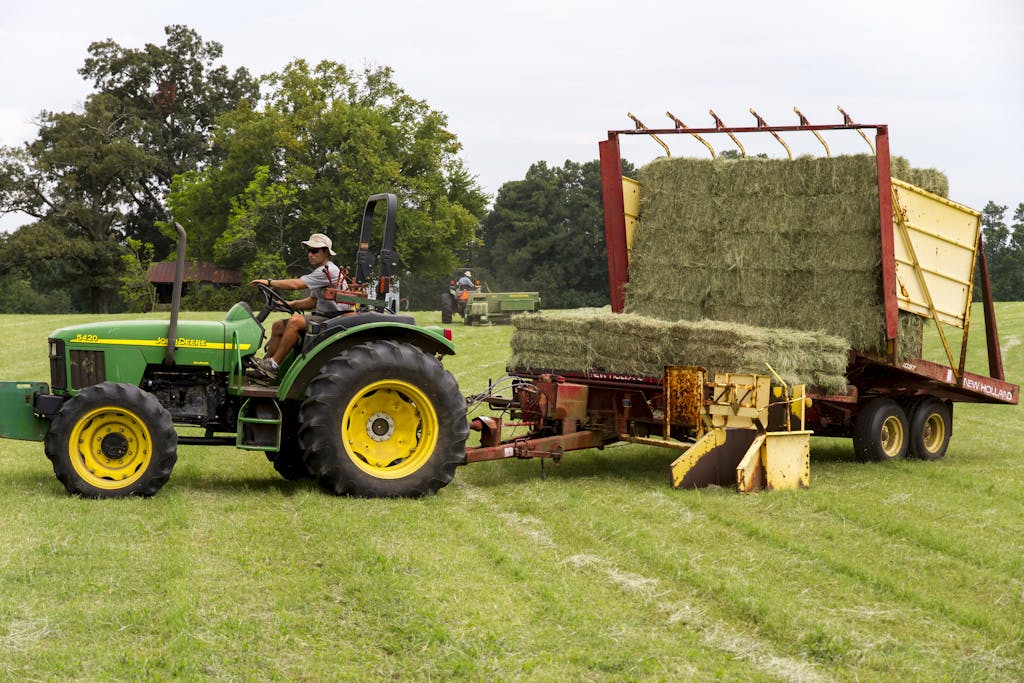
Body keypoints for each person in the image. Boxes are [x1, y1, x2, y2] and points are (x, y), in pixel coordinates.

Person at [248, 233, 347, 381]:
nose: (310, 254)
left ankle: (274, 364)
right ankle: (265, 369)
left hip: (334, 318)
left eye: (314, 251)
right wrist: (288, 304)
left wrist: (269, 282)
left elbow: (295, 285)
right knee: (277, 326)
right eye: (308, 251)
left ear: (326, 252)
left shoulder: (327, 270)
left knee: (295, 321)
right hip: (324, 315)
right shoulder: (321, 272)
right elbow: (312, 302)